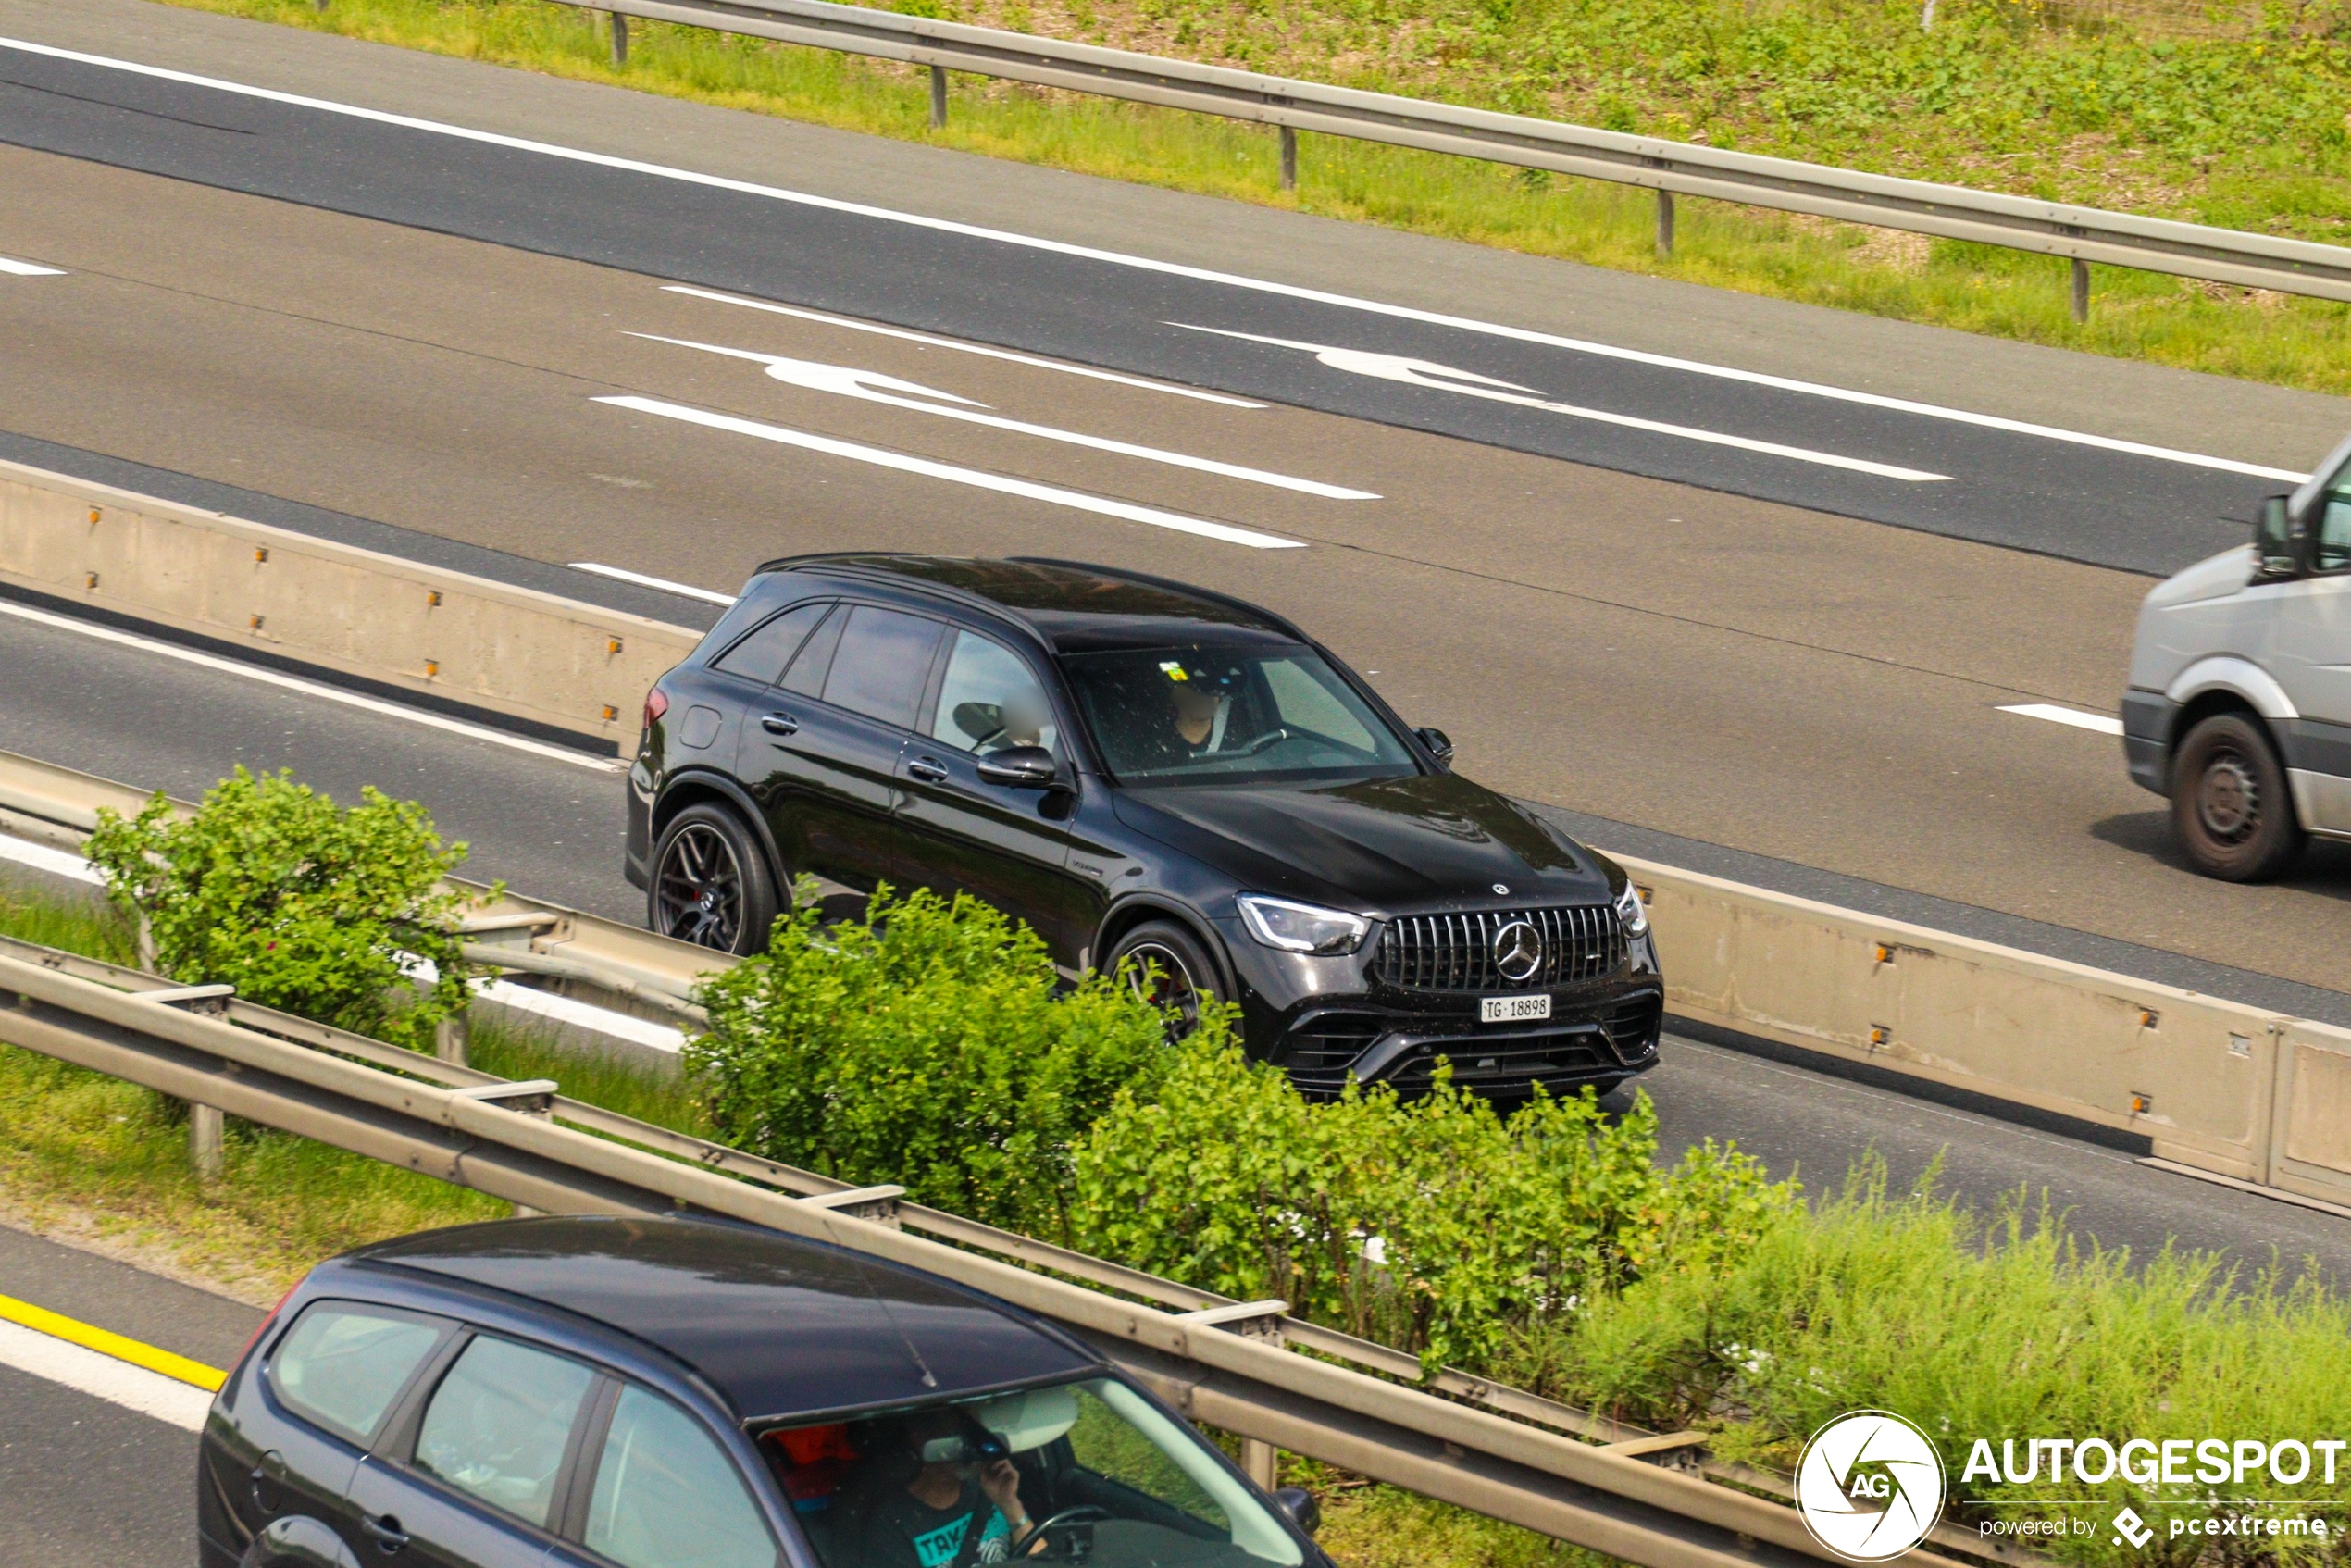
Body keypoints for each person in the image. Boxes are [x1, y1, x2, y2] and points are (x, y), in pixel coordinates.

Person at [842, 1410, 1039, 1568]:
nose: (972, 1448)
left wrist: (1011, 1505)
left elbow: (1044, 1562)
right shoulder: (891, 1524)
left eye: (976, 1436)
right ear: (921, 1441)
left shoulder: (989, 1490)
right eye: (957, 1438)